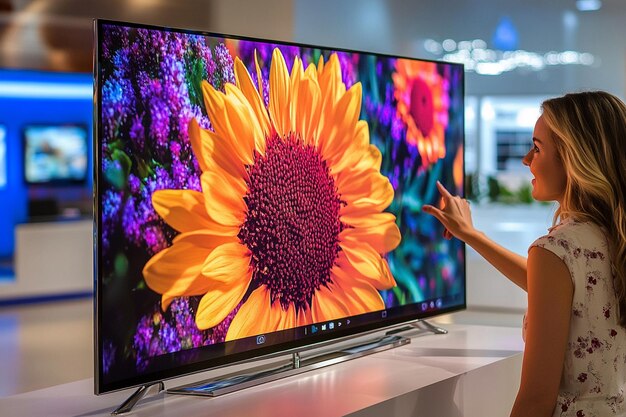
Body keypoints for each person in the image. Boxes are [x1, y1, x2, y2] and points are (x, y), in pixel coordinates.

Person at [422, 91, 626, 417]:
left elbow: (535, 400)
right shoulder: (611, 236)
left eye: (537, 147)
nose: (526, 159)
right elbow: (560, 289)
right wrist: (471, 235)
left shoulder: (556, 251)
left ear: (573, 158)